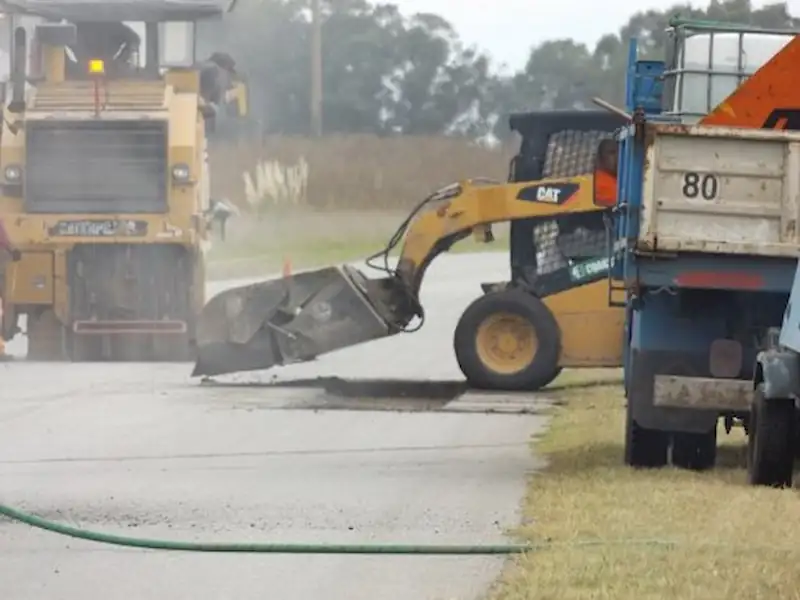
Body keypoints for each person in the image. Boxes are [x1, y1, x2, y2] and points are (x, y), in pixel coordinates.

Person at [594, 138, 618, 207]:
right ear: (600, 157)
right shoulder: (596, 182)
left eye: (621, 152)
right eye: (612, 153)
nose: (618, 157)